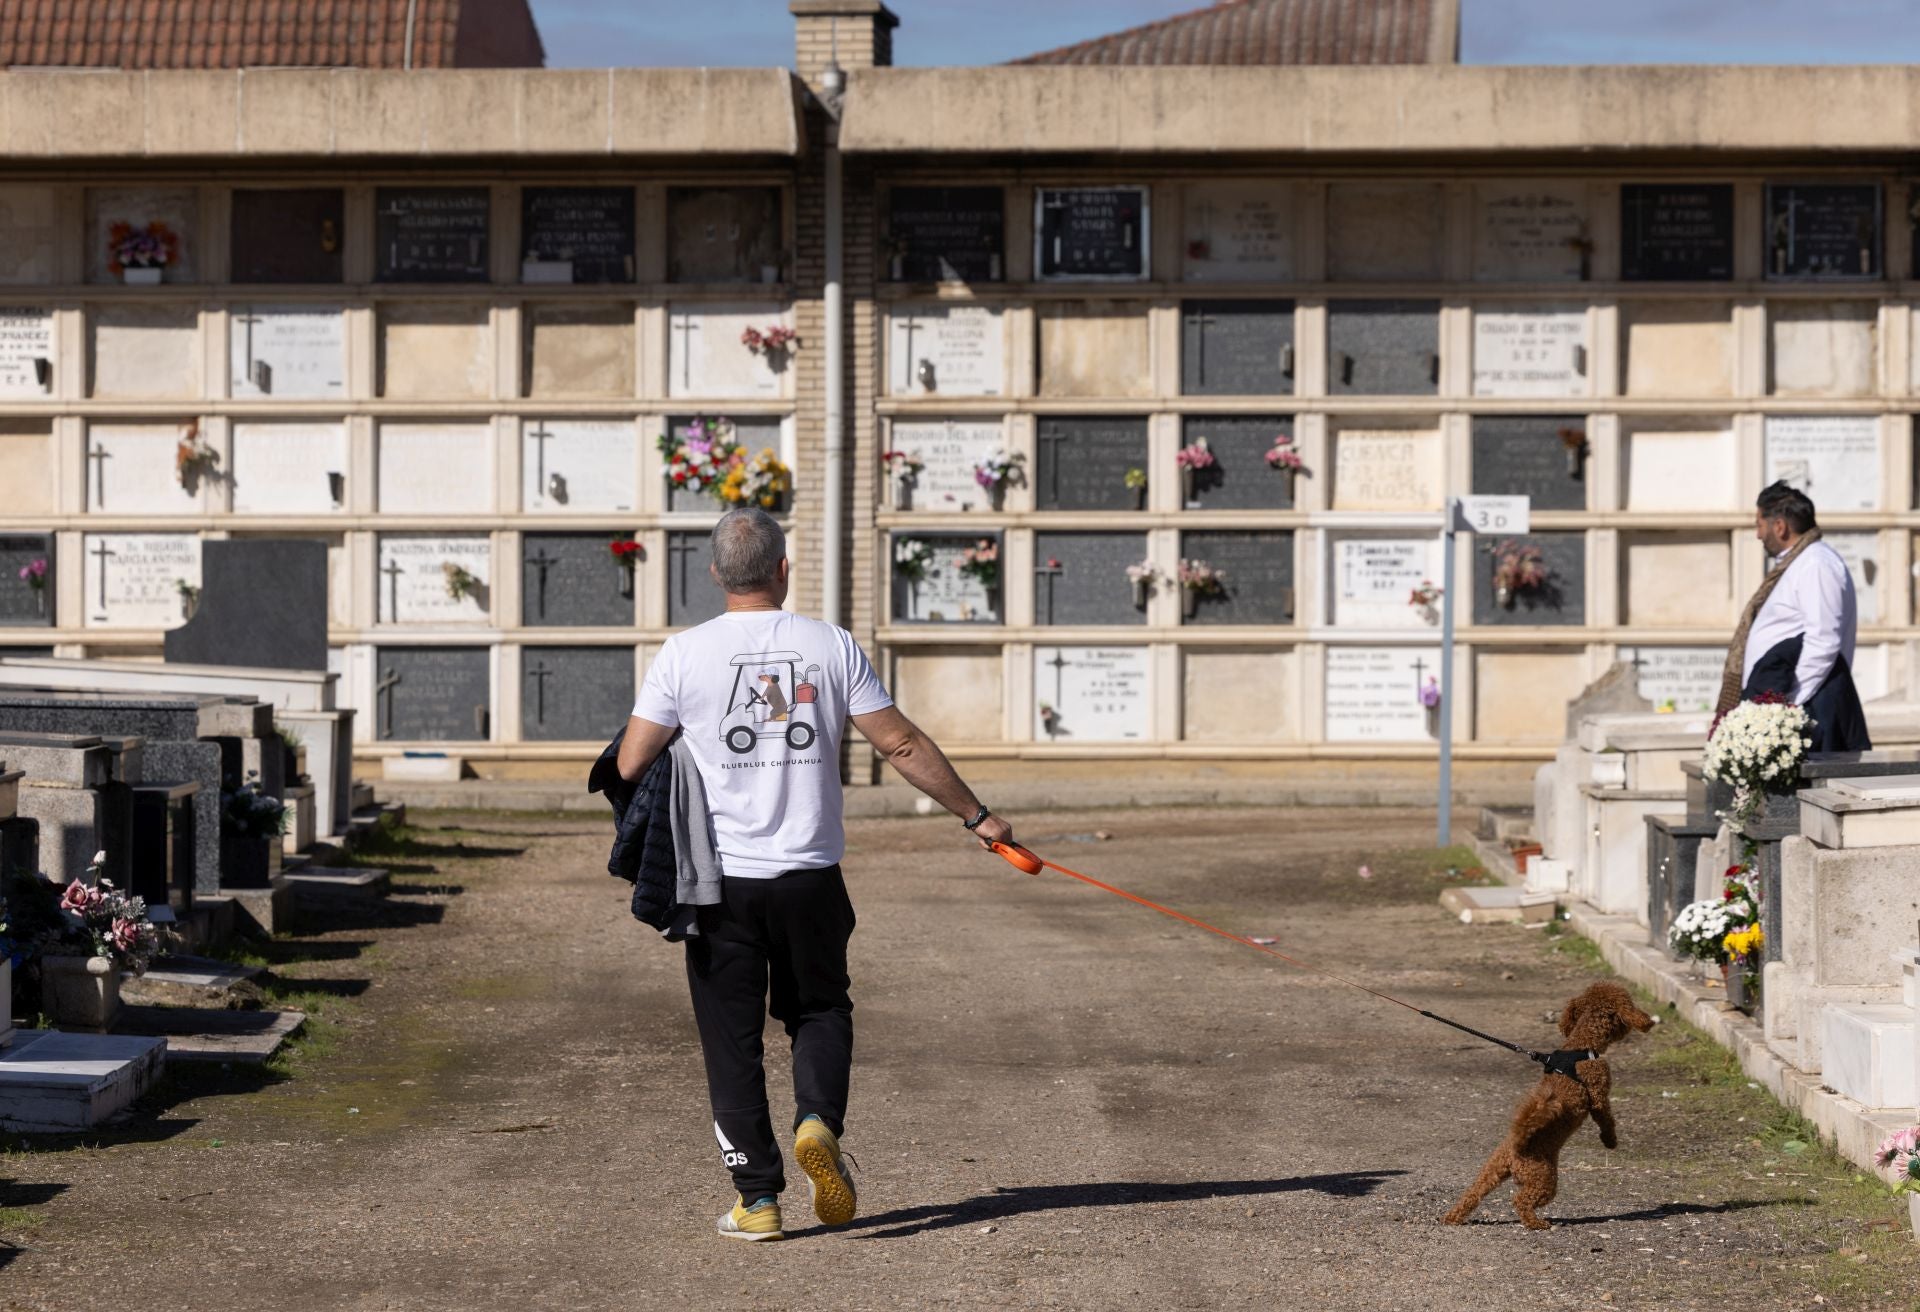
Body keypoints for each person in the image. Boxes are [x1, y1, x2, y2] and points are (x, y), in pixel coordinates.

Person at [614, 506, 1015, 1242]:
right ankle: (817, 1123)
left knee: (730, 1038)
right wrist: (977, 816)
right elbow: (898, 744)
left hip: (721, 884)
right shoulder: (829, 645)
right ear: (782, 569)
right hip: (811, 877)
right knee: (820, 1010)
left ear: (713, 574)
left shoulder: (682, 653)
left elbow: (633, 761)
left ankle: (758, 1200)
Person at [1716, 481, 1870, 751]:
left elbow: (1822, 642)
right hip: (1791, 705)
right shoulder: (1799, 564)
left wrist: (1785, 706)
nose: (1757, 534)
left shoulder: (1816, 564)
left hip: (1809, 706)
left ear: (1779, 526)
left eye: (1759, 524)